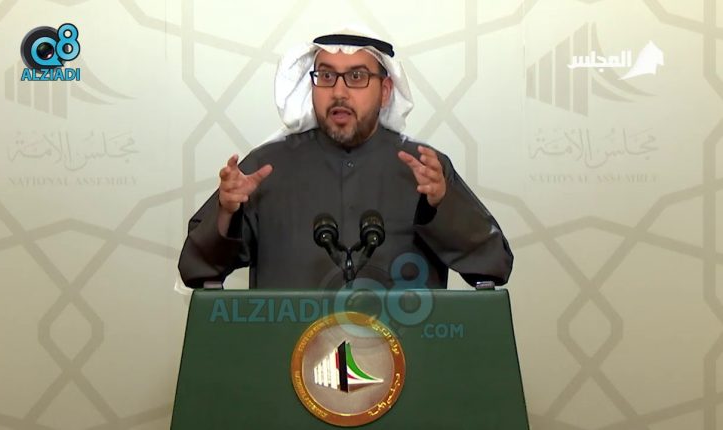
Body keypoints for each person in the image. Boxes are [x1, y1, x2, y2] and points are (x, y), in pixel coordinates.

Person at [178, 30, 513, 290]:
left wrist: (443, 205)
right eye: (326, 76)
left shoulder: (425, 169)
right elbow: (196, 269)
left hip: (405, 352)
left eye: (356, 77)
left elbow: (494, 264)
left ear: (385, 91)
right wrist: (227, 212)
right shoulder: (265, 167)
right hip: (287, 352)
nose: (339, 92)